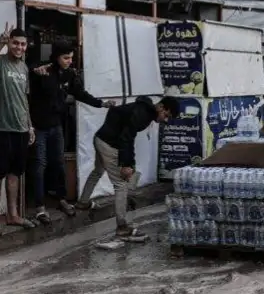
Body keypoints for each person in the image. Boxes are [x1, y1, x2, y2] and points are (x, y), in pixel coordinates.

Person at [77, 95, 181, 242]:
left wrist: (129, 163)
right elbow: (126, 139)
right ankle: (122, 227)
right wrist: (126, 165)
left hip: (100, 138)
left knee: (98, 171)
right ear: (161, 107)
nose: (165, 120)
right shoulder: (142, 115)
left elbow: (123, 128)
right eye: (166, 115)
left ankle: (83, 202)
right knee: (121, 184)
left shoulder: (142, 110)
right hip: (108, 144)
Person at [29, 40, 109, 223]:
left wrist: (101, 103)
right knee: (40, 165)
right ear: (56, 57)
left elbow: (80, 93)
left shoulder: (69, 75)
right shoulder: (44, 70)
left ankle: (62, 199)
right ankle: (40, 207)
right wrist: (36, 73)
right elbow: (29, 75)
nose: (69, 61)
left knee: (58, 163)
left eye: (71, 58)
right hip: (39, 126)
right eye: (65, 58)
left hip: (57, 125)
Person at [0, 24, 35, 236]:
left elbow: (25, 100)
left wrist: (29, 125)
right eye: (15, 43)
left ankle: (12, 215)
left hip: (21, 129)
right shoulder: (0, 62)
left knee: (15, 174)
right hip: (2, 128)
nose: (19, 47)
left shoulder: (24, 68)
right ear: (9, 43)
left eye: (22, 44)